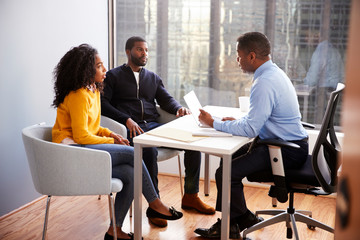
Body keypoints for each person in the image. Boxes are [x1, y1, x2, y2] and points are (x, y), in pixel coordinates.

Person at [51, 44, 182, 240]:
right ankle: (155, 203)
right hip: (72, 152)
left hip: (85, 148)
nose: (104, 69)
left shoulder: (93, 91)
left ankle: (115, 230)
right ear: (86, 70)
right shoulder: (78, 95)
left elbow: (92, 127)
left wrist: (112, 135)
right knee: (133, 152)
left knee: (131, 173)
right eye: (99, 66)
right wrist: (110, 140)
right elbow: (80, 136)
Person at [194, 32, 309, 239]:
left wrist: (213, 123)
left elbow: (250, 130)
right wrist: (233, 122)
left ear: (252, 56)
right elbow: (258, 118)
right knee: (228, 164)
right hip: (289, 144)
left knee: (227, 172)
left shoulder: (264, 82)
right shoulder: (273, 73)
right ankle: (244, 218)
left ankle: (230, 226)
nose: (236, 61)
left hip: (285, 150)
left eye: (238, 56)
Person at [101, 36, 215, 227]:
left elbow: (166, 100)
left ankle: (190, 195)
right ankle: (155, 205)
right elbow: (103, 104)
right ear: (128, 52)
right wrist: (126, 119)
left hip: (153, 125)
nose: (144, 53)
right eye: (139, 50)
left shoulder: (152, 77)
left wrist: (179, 108)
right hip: (131, 129)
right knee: (149, 149)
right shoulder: (113, 76)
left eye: (146, 50)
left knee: (192, 143)